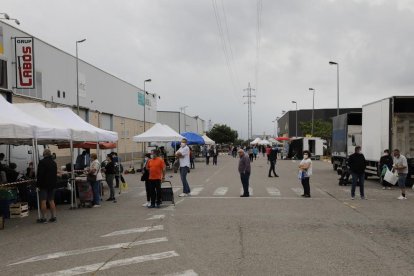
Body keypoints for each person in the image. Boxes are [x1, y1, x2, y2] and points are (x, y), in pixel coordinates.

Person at [36, 149, 58, 223]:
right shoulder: (54, 163)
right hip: (52, 184)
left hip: (44, 185)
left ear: (44, 154)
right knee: (51, 200)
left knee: (43, 201)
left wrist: (38, 185)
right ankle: (53, 216)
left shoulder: (42, 162)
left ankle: (44, 218)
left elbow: (40, 175)